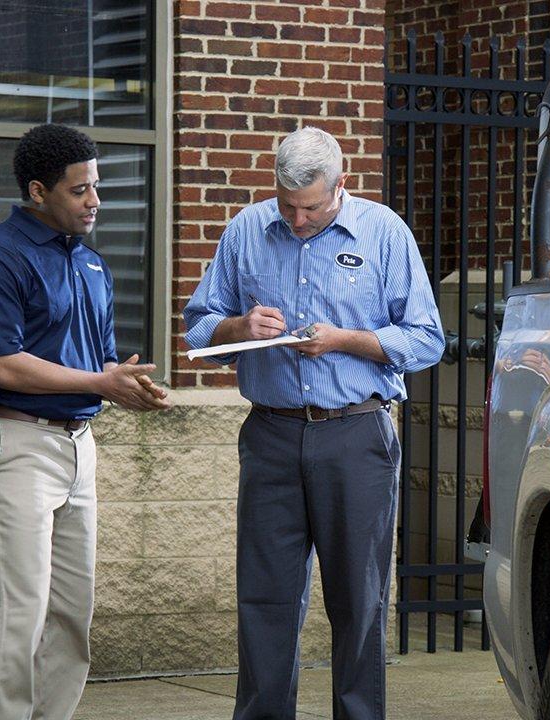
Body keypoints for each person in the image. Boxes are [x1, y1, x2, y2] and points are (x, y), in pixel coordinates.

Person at [183, 126, 444, 720]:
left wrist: (345, 340)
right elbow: (200, 326)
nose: (297, 219)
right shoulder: (246, 230)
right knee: (265, 597)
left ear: (341, 187)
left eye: (311, 207)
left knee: (359, 600)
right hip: (271, 434)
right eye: (287, 205)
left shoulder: (383, 233)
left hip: (355, 434)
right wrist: (238, 328)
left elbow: (428, 340)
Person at [0, 123, 171, 720]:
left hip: (80, 446)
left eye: (96, 186)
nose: (95, 201)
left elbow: (95, 360)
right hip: (16, 445)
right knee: (16, 616)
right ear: (36, 191)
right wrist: (101, 382)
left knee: (72, 614)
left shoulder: (91, 264)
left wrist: (121, 383)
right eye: (79, 191)